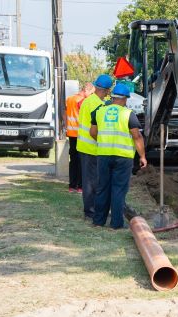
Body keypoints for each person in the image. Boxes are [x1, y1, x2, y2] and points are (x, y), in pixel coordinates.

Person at [90, 83, 147, 229]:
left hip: (103, 155)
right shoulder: (128, 114)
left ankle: (98, 221)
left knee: (103, 188)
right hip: (123, 157)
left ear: (113, 97)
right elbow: (137, 136)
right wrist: (142, 156)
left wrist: (103, 142)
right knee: (118, 189)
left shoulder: (99, 112)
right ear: (125, 99)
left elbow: (93, 132)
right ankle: (116, 224)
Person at [76, 74, 113, 220]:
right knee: (92, 183)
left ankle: (91, 210)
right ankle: (91, 212)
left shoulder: (88, 100)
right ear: (107, 90)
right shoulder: (98, 105)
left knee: (89, 181)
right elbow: (94, 131)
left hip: (85, 147)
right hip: (92, 148)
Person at [64, 82, 94, 193]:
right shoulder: (83, 101)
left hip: (71, 133)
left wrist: (66, 126)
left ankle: (72, 186)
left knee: (73, 160)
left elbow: (64, 113)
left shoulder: (70, 99)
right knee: (82, 161)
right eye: (91, 93)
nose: (91, 95)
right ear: (86, 90)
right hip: (80, 134)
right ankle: (81, 186)